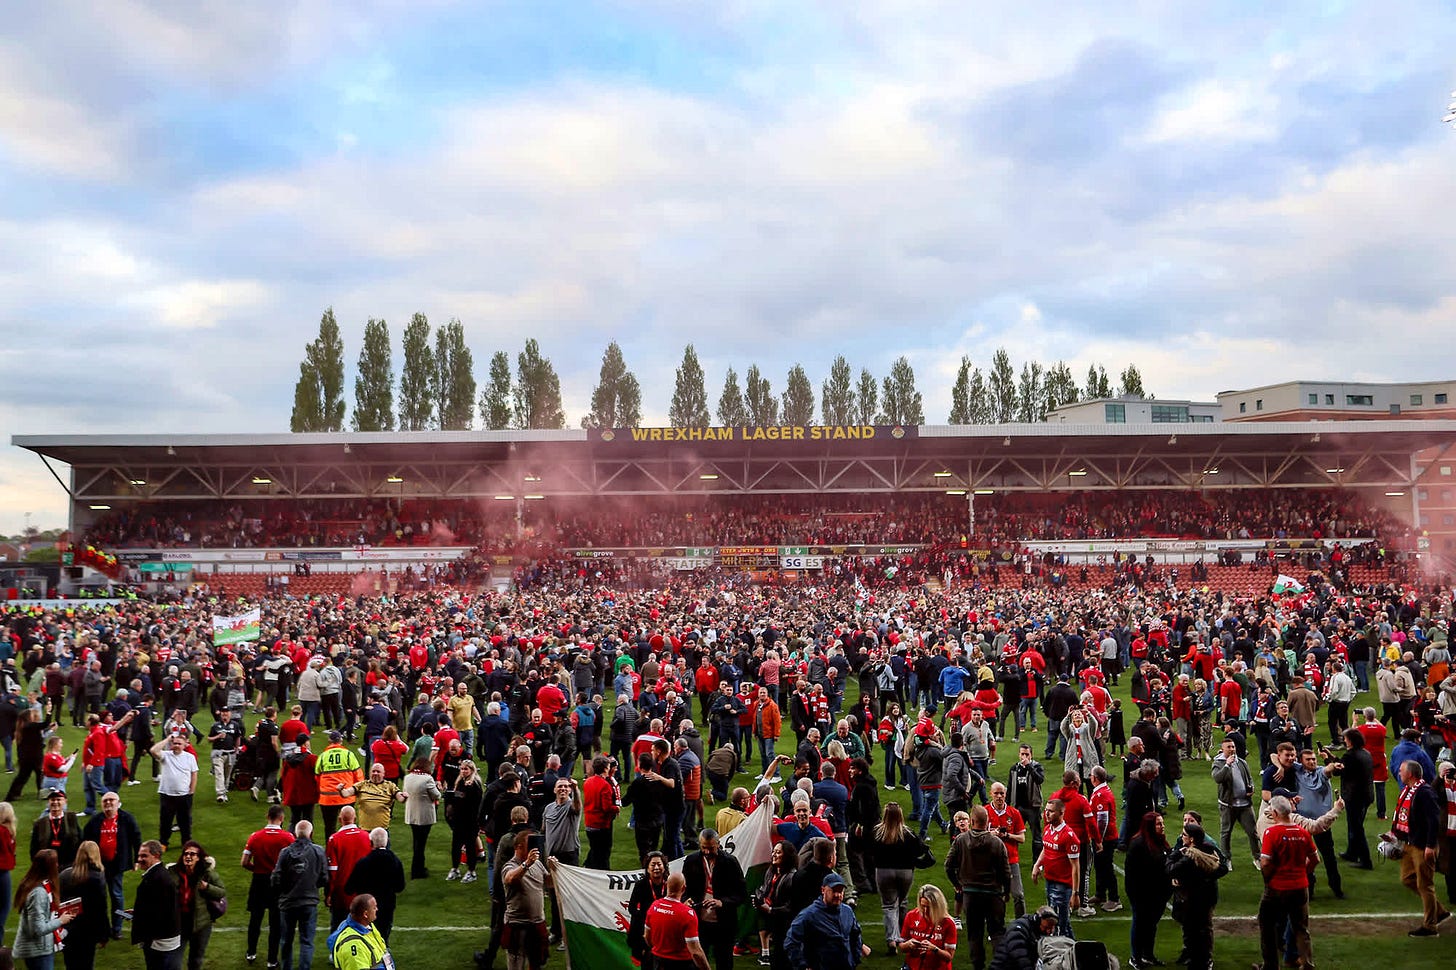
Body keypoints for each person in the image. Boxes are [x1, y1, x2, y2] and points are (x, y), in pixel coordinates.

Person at [1385, 759, 1450, 936]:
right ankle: (1440, 911)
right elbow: (1403, 815)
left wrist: (1430, 845)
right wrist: (1393, 836)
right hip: (1409, 843)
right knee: (1407, 879)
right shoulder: (1408, 790)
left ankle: (1430, 927)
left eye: (1401, 771)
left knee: (1425, 885)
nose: (1398, 773)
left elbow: (1433, 820)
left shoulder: (1424, 792)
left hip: (1422, 846)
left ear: (1410, 774)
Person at [1256, 795, 1317, 970]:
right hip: (1300, 887)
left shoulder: (1271, 833)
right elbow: (1315, 859)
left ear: (1275, 812)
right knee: (1301, 929)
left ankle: (1270, 966)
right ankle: (1307, 965)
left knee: (1267, 926)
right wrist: (1303, 872)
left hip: (1277, 888)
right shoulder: (1303, 833)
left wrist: (1268, 878)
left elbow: (1265, 862)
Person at [944, 805, 1008, 970]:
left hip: (970, 895)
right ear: (987, 821)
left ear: (971, 821)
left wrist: (957, 885)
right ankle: (1000, 965)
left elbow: (948, 866)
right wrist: (1006, 892)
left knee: (974, 933)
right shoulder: (997, 843)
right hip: (993, 894)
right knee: (997, 932)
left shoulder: (961, 840)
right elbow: (1006, 872)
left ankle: (978, 966)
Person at [681, 828, 746, 970]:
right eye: (704, 847)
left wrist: (722, 902)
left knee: (724, 962)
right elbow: (684, 891)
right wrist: (686, 900)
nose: (707, 852)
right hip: (699, 922)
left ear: (718, 844)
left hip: (724, 923)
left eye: (711, 848)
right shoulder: (691, 861)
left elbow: (741, 894)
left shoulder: (730, 862)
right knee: (697, 961)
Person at [240, 805, 294, 967]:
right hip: (278, 884)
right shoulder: (288, 838)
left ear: (267, 816)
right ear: (282, 818)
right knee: (276, 922)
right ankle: (272, 960)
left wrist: (256, 869)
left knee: (255, 919)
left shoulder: (255, 837)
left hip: (259, 881)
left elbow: (244, 862)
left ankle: (251, 953)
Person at [1164, 821, 1223, 970]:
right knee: (1203, 931)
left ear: (1191, 839)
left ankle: (1197, 961)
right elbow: (1222, 868)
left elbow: (1170, 869)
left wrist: (1176, 853)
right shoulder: (1210, 850)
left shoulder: (1190, 857)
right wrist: (1207, 878)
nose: (1181, 836)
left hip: (1192, 901)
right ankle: (1204, 959)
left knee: (1193, 933)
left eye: (1184, 835)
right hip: (1207, 898)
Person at [783, 873, 870, 970]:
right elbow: (791, 942)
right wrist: (802, 965)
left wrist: (855, 958)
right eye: (833, 891)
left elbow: (855, 934)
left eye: (840, 891)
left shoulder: (847, 911)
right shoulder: (809, 915)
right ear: (823, 890)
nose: (837, 895)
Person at [870, 803, 924, 956]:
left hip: (884, 872)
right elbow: (920, 850)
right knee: (902, 902)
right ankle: (903, 935)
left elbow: (869, 850)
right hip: (905, 872)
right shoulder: (908, 833)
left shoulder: (878, 832)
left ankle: (892, 940)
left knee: (889, 905)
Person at [272, 820, 326, 970]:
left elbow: (275, 878)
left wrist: (285, 891)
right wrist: (312, 886)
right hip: (309, 903)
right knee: (306, 941)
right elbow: (324, 878)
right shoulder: (318, 851)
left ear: (295, 834)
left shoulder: (285, 852)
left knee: (286, 940)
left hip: (288, 903)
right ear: (311, 833)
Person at [1123, 812, 1171, 970]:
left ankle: (1148, 955)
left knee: (1151, 925)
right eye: (1159, 824)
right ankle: (1135, 957)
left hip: (1159, 894)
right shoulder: (1138, 844)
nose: (1162, 826)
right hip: (1142, 895)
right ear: (1150, 826)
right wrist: (1136, 896)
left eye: (1162, 823)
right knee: (1140, 925)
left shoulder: (1161, 842)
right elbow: (1131, 875)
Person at [13, 850, 75, 970]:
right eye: (55, 863)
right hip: (38, 952)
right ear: (48, 867)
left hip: (41, 949)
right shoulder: (39, 894)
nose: (57, 865)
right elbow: (37, 929)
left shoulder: (41, 886)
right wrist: (60, 921)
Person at [344, 828, 405, 943]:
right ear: (387, 842)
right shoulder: (395, 862)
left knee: (365, 940)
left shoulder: (363, 863)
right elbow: (400, 886)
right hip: (387, 906)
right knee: (383, 939)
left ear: (371, 843)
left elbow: (349, 888)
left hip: (365, 908)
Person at [170, 840, 224, 970]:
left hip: (201, 924)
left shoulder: (207, 873)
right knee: (174, 960)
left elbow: (221, 892)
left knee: (195, 961)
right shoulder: (173, 872)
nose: (188, 856)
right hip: (179, 923)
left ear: (199, 858)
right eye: (186, 854)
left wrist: (207, 888)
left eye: (192, 854)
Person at [1030, 798, 1079, 939]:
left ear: (1061, 813)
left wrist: (1075, 893)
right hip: (1050, 881)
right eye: (1046, 810)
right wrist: (1037, 864)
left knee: (1058, 924)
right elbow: (1046, 848)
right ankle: (1072, 949)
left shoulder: (1069, 836)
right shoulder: (1048, 829)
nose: (1046, 814)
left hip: (1062, 885)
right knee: (1062, 922)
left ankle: (1062, 953)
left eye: (1051, 811)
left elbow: (1076, 865)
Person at [500, 826, 548, 970]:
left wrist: (556, 868)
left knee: (537, 963)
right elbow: (510, 878)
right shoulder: (509, 866)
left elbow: (549, 882)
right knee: (516, 963)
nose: (535, 847)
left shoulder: (538, 864)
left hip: (537, 922)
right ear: (519, 847)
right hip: (517, 924)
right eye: (530, 843)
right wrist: (527, 864)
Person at [56, 842, 107, 970]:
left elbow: (57, 902)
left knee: (71, 965)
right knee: (86, 964)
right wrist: (104, 934)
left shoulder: (64, 875)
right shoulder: (96, 877)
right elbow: (101, 909)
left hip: (68, 928)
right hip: (88, 931)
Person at [645, 871, 711, 970]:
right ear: (683, 888)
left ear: (666, 885)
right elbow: (696, 952)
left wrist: (660, 950)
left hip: (658, 961)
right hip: (681, 964)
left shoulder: (654, 906)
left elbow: (647, 936)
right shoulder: (688, 914)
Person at [542, 777, 580, 947]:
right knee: (553, 898)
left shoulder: (572, 807)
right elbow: (544, 830)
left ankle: (568, 937)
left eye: (566, 787)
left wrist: (577, 790)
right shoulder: (548, 808)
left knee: (567, 899)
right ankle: (556, 932)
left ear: (570, 790)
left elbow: (578, 806)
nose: (563, 789)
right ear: (554, 790)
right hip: (551, 858)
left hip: (568, 857)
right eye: (560, 786)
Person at [131, 841, 180, 970]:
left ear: (156, 855)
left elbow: (161, 913)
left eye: (144, 856)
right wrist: (137, 912)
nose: (140, 859)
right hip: (164, 939)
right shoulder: (160, 874)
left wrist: (140, 917)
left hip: (159, 941)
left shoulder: (157, 878)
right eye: (139, 856)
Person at [1210, 738, 1260, 868]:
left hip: (1245, 805)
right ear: (1223, 749)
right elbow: (1217, 778)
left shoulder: (1242, 762)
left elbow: (1249, 778)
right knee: (1226, 832)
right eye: (1229, 747)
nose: (1232, 749)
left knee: (1253, 832)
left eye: (1233, 746)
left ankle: (1257, 857)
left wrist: (1251, 788)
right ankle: (1226, 858)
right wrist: (1227, 765)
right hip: (1228, 805)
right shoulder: (1218, 763)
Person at [1331, 727, 1374, 869]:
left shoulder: (1350, 756)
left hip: (1354, 796)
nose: (1344, 741)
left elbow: (1339, 771)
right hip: (1366, 795)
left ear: (1350, 740)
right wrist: (1332, 759)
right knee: (1355, 825)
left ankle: (1365, 860)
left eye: (1346, 738)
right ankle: (1352, 852)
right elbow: (1346, 767)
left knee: (1356, 828)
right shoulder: (1365, 753)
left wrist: (1327, 761)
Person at [325, 807, 371, 930]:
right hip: (364, 892)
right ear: (355, 818)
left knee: (339, 929)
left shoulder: (334, 839)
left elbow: (332, 870)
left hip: (342, 893)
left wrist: (329, 893)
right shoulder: (366, 836)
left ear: (340, 819)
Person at [150, 735, 197, 851]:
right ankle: (163, 842)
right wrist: (167, 739)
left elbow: (194, 774)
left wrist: (192, 790)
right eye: (174, 743)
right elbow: (153, 750)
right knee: (166, 821)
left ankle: (186, 843)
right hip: (167, 794)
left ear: (185, 745)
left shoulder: (190, 757)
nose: (176, 746)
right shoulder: (166, 755)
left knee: (184, 822)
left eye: (179, 744)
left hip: (184, 795)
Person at [315, 731, 364, 841]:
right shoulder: (348, 755)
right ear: (341, 741)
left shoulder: (323, 756)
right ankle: (348, 849)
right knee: (348, 827)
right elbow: (358, 776)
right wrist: (357, 791)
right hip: (346, 797)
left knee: (329, 828)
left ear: (329, 741)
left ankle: (330, 854)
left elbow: (317, 777)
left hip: (327, 798)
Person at [897, 883, 956, 970]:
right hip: (912, 966)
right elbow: (902, 947)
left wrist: (934, 949)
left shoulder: (948, 923)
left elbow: (949, 957)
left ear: (938, 906)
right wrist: (908, 945)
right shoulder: (911, 916)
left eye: (929, 907)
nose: (925, 910)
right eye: (923, 906)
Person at [627, 851, 670, 969]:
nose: (656, 868)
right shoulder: (641, 885)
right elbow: (632, 908)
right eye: (653, 865)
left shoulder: (669, 884)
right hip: (646, 931)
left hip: (665, 931)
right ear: (647, 868)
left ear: (664, 866)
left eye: (659, 864)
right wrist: (646, 918)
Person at [327, 893, 391, 970]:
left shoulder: (369, 926)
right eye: (374, 908)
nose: (377, 909)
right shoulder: (354, 945)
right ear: (365, 914)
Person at [402, 758, 441, 880]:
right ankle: (418, 870)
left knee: (416, 842)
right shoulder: (427, 779)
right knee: (421, 843)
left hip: (412, 814)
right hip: (424, 815)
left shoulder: (408, 777)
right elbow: (436, 795)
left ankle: (417, 868)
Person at [987, 906, 1057, 970]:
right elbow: (1019, 953)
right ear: (1037, 920)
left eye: (1051, 928)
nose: (1049, 931)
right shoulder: (1019, 928)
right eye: (1046, 927)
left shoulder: (1038, 932)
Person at [582, 756, 619, 869]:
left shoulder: (587, 782)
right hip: (601, 825)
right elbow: (606, 808)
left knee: (595, 850)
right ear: (604, 769)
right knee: (603, 854)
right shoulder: (605, 785)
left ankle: (588, 867)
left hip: (589, 823)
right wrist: (616, 808)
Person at [28, 794, 79, 871]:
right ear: (48, 802)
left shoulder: (71, 818)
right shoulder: (40, 823)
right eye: (52, 800)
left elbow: (79, 840)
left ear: (65, 801)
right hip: (46, 866)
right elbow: (34, 847)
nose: (55, 802)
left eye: (58, 799)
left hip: (69, 864)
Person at [353, 762, 404, 833]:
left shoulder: (390, 786)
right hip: (364, 830)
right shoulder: (362, 785)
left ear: (383, 774)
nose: (375, 773)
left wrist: (404, 796)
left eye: (378, 771)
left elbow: (401, 799)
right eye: (373, 771)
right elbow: (346, 793)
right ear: (370, 773)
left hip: (382, 830)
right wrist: (341, 790)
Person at [0, 802, 16, 945]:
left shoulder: (7, 830)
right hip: (2, 872)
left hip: (4, 871)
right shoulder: (3, 831)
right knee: (4, 906)